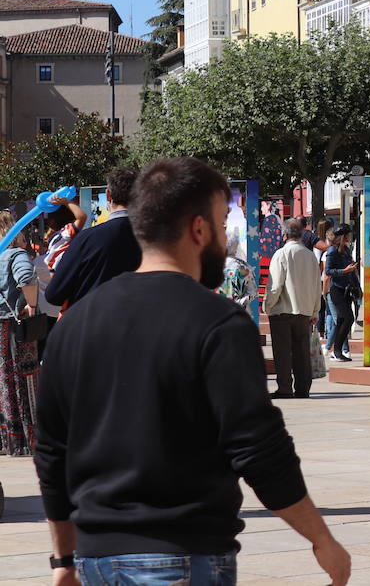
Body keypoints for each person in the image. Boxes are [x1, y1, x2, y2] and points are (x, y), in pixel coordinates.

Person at [34, 157, 350, 585]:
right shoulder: (218, 322)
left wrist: (63, 559)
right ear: (199, 230)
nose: (224, 238)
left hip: (97, 561)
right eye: (222, 225)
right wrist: (320, 538)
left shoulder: (75, 326)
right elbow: (258, 447)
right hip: (183, 556)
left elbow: (53, 451)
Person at [45, 167, 141, 310]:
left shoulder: (87, 239)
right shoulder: (158, 239)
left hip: (97, 323)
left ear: (108, 195)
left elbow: (55, 294)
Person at [265, 218, 321, 399]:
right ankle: (303, 387)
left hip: (283, 310)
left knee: (282, 352)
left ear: (285, 234)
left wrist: (268, 305)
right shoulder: (310, 255)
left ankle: (285, 387)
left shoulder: (281, 254)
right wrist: (314, 311)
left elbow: (275, 285)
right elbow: (316, 286)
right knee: (301, 352)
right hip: (304, 311)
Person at [0, 210, 39, 457]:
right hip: (15, 326)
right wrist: (32, 306)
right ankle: (28, 438)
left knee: (3, 380)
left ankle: (7, 439)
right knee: (24, 379)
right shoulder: (14, 254)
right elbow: (26, 277)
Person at [325, 226, 360, 362]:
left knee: (341, 321)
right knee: (348, 318)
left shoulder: (346, 250)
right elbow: (328, 272)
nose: (350, 237)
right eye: (348, 235)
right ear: (343, 236)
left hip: (347, 289)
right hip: (336, 289)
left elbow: (351, 270)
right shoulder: (332, 250)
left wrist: (357, 286)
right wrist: (343, 271)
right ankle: (337, 350)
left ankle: (337, 351)